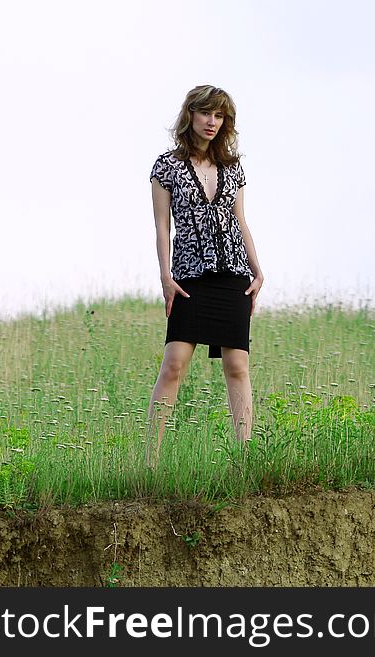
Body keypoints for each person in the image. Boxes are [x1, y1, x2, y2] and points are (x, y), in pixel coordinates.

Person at [146, 85, 264, 462]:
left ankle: (245, 459)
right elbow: (162, 227)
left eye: (219, 116)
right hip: (189, 277)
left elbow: (240, 220)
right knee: (174, 364)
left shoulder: (233, 168)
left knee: (237, 365)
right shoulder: (166, 166)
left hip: (233, 273)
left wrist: (258, 271)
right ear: (190, 115)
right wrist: (165, 276)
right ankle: (149, 461)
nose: (212, 122)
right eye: (205, 113)